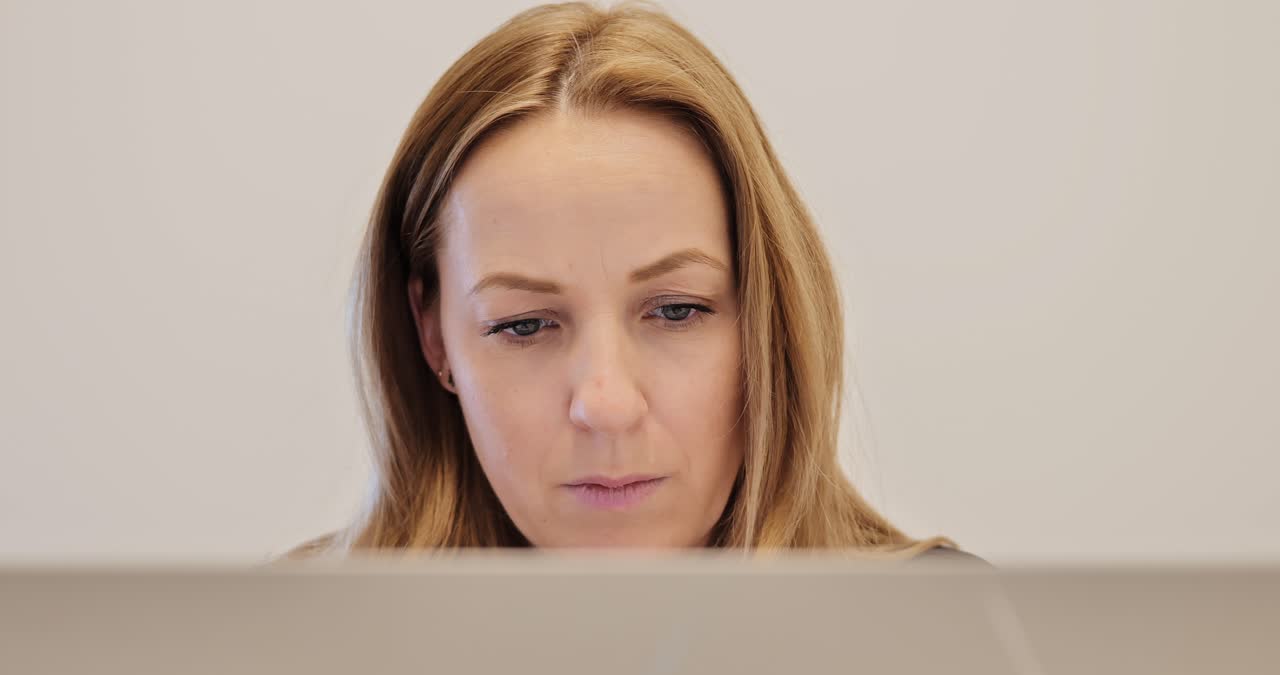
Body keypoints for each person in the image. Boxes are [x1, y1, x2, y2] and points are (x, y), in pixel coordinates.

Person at [288, 1, 970, 560]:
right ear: (432, 339)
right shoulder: (291, 660)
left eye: (677, 311)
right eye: (523, 324)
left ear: (769, 317)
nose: (607, 404)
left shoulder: (964, 646)